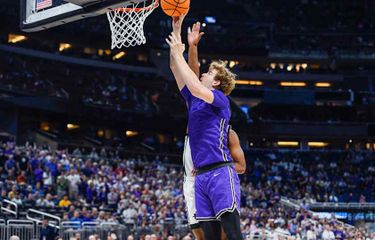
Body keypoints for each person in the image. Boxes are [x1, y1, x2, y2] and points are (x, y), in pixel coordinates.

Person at [167, 13, 243, 240]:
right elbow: (175, 67)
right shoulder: (194, 101)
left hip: (220, 171)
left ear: (217, 83)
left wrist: (182, 51)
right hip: (200, 176)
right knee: (209, 237)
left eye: (209, 73)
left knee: (232, 233)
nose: (204, 73)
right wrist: (177, 29)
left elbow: (195, 83)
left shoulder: (220, 100)